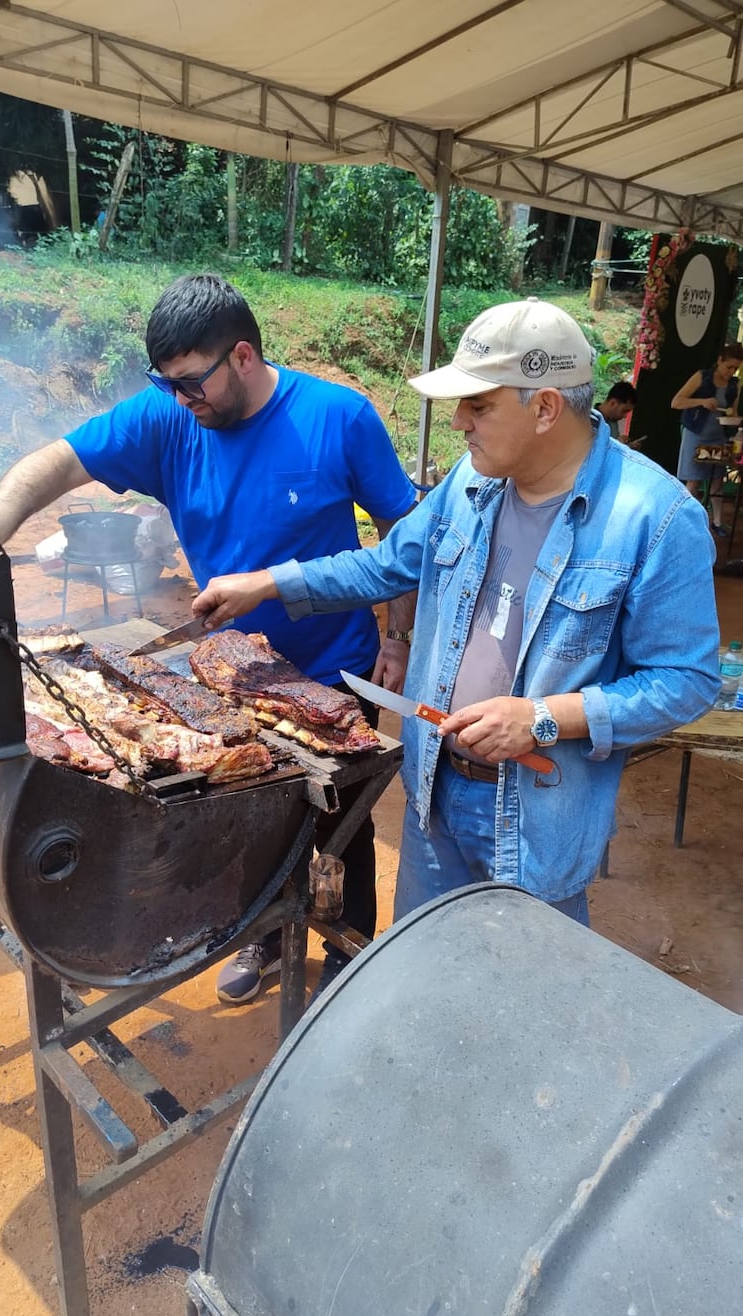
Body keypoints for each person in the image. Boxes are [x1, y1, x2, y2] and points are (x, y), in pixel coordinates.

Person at [192, 298, 720, 927]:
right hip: (434, 796)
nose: (460, 423)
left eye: (479, 405)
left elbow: (687, 683)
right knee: (423, 985)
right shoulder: (469, 486)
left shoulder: (653, 519)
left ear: (545, 406)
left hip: (534, 817)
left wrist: (542, 719)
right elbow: (385, 566)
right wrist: (267, 583)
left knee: (518, 999)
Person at [0, 274, 416, 1001]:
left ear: (242, 356)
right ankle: (269, 939)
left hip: (330, 671)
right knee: (252, 824)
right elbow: (51, 464)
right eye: (168, 385)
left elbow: (405, 534)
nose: (181, 400)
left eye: (190, 383)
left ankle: (349, 950)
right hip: (224, 674)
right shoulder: (169, 415)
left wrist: (397, 635)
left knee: (342, 826)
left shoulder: (339, 417)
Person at [671, 343, 743, 536]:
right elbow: (676, 402)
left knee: (717, 481)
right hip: (696, 433)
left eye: (736, 368)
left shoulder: (735, 385)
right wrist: (701, 401)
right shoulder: (702, 377)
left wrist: (735, 421)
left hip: (719, 436)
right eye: (729, 366)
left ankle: (717, 522)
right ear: (720, 360)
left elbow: (733, 412)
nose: (731, 371)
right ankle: (689, 522)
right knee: (693, 481)